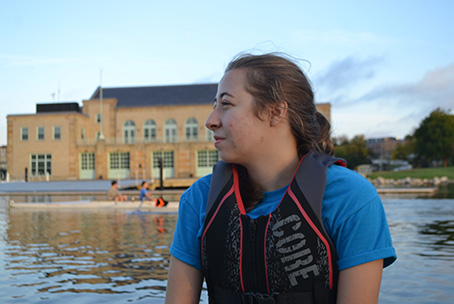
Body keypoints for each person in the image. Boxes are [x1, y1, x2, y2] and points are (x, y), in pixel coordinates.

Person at [165, 53, 396, 304]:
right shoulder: (199, 199)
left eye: (226, 104)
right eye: (214, 105)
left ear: (275, 112)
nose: (211, 121)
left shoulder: (350, 198)